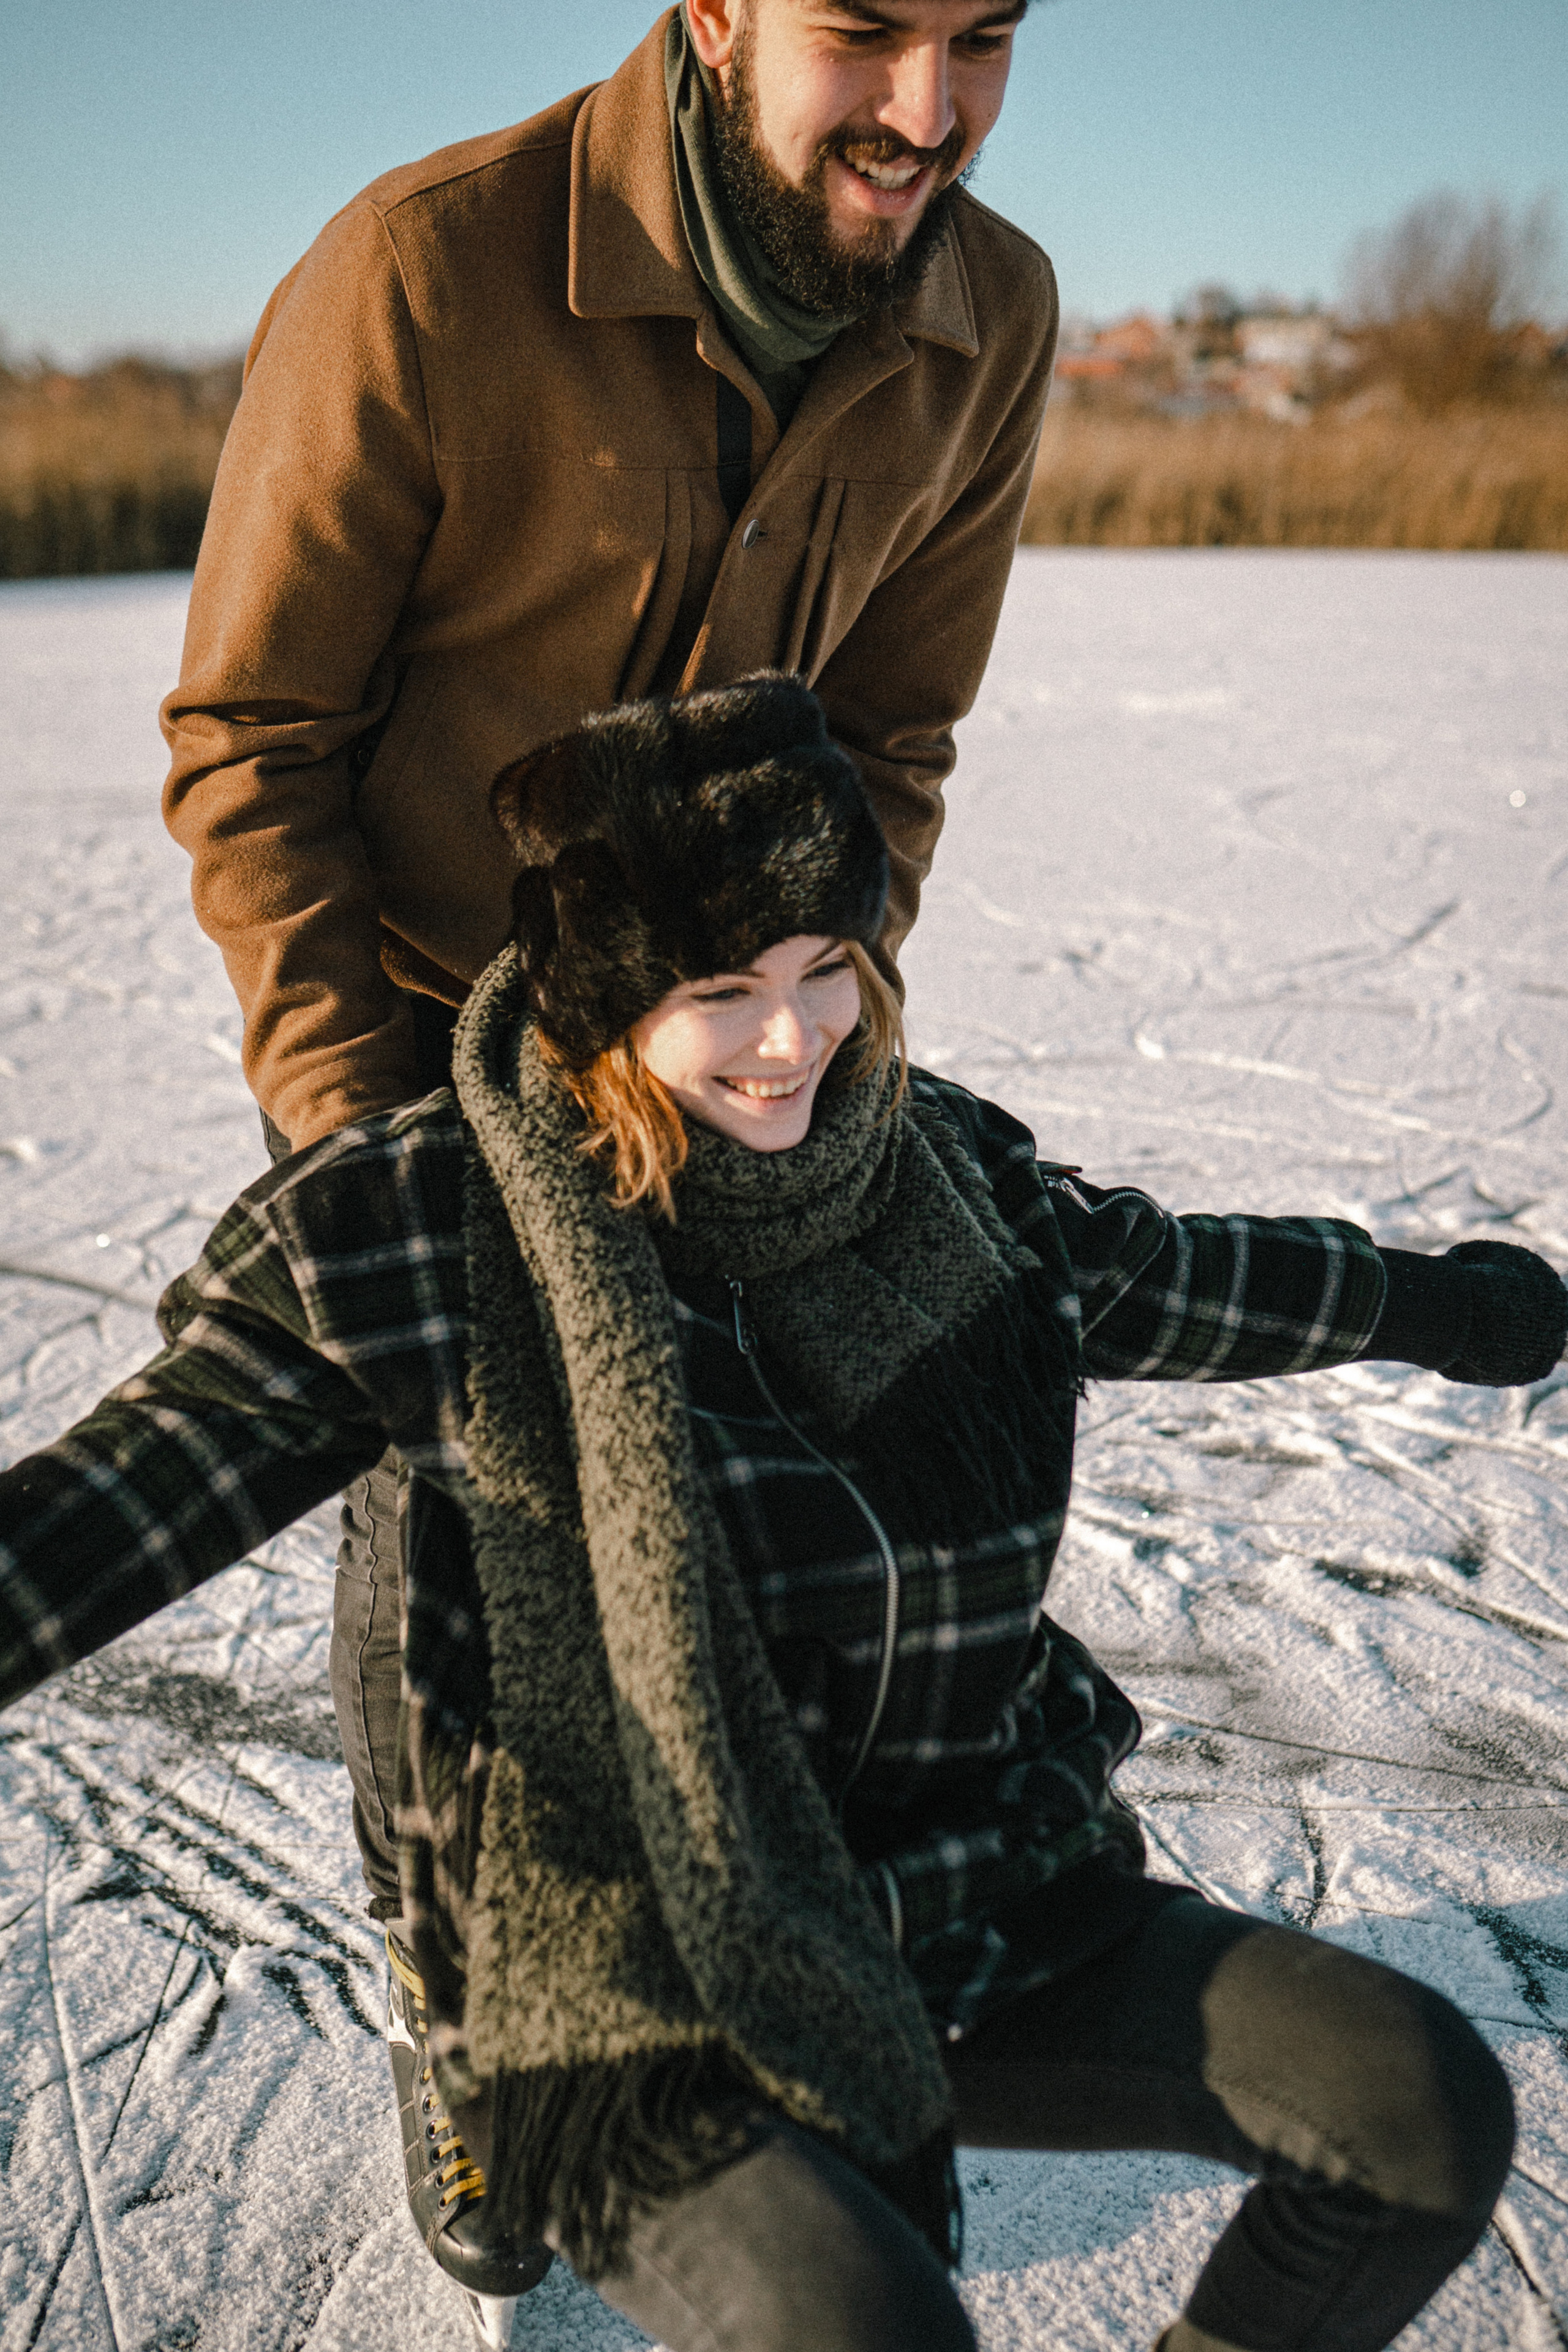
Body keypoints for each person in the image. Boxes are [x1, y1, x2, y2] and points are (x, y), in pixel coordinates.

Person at [1, 677, 1558, 2352]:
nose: (792, 1038)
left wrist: (1443, 1303)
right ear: (606, 1002)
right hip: (624, 1962)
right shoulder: (425, 1229)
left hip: (963, 1887)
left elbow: (1174, 1278)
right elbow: (129, 1496)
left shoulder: (943, 1179)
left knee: (1417, 2110)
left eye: (826, 969)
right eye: (722, 991)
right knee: (866, 2326)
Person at [156, 10, 1057, 2278]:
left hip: (734, 1065)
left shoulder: (991, 313)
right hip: (428, 1050)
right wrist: (372, 1144)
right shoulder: (431, 271)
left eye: (985, 39)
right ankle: (465, 2010)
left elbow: (896, 732)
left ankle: (738, 1964)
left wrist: (807, 1028)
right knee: (458, 1554)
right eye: (868, 30)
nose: (928, 111)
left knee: (743, 1516)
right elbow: (255, 740)